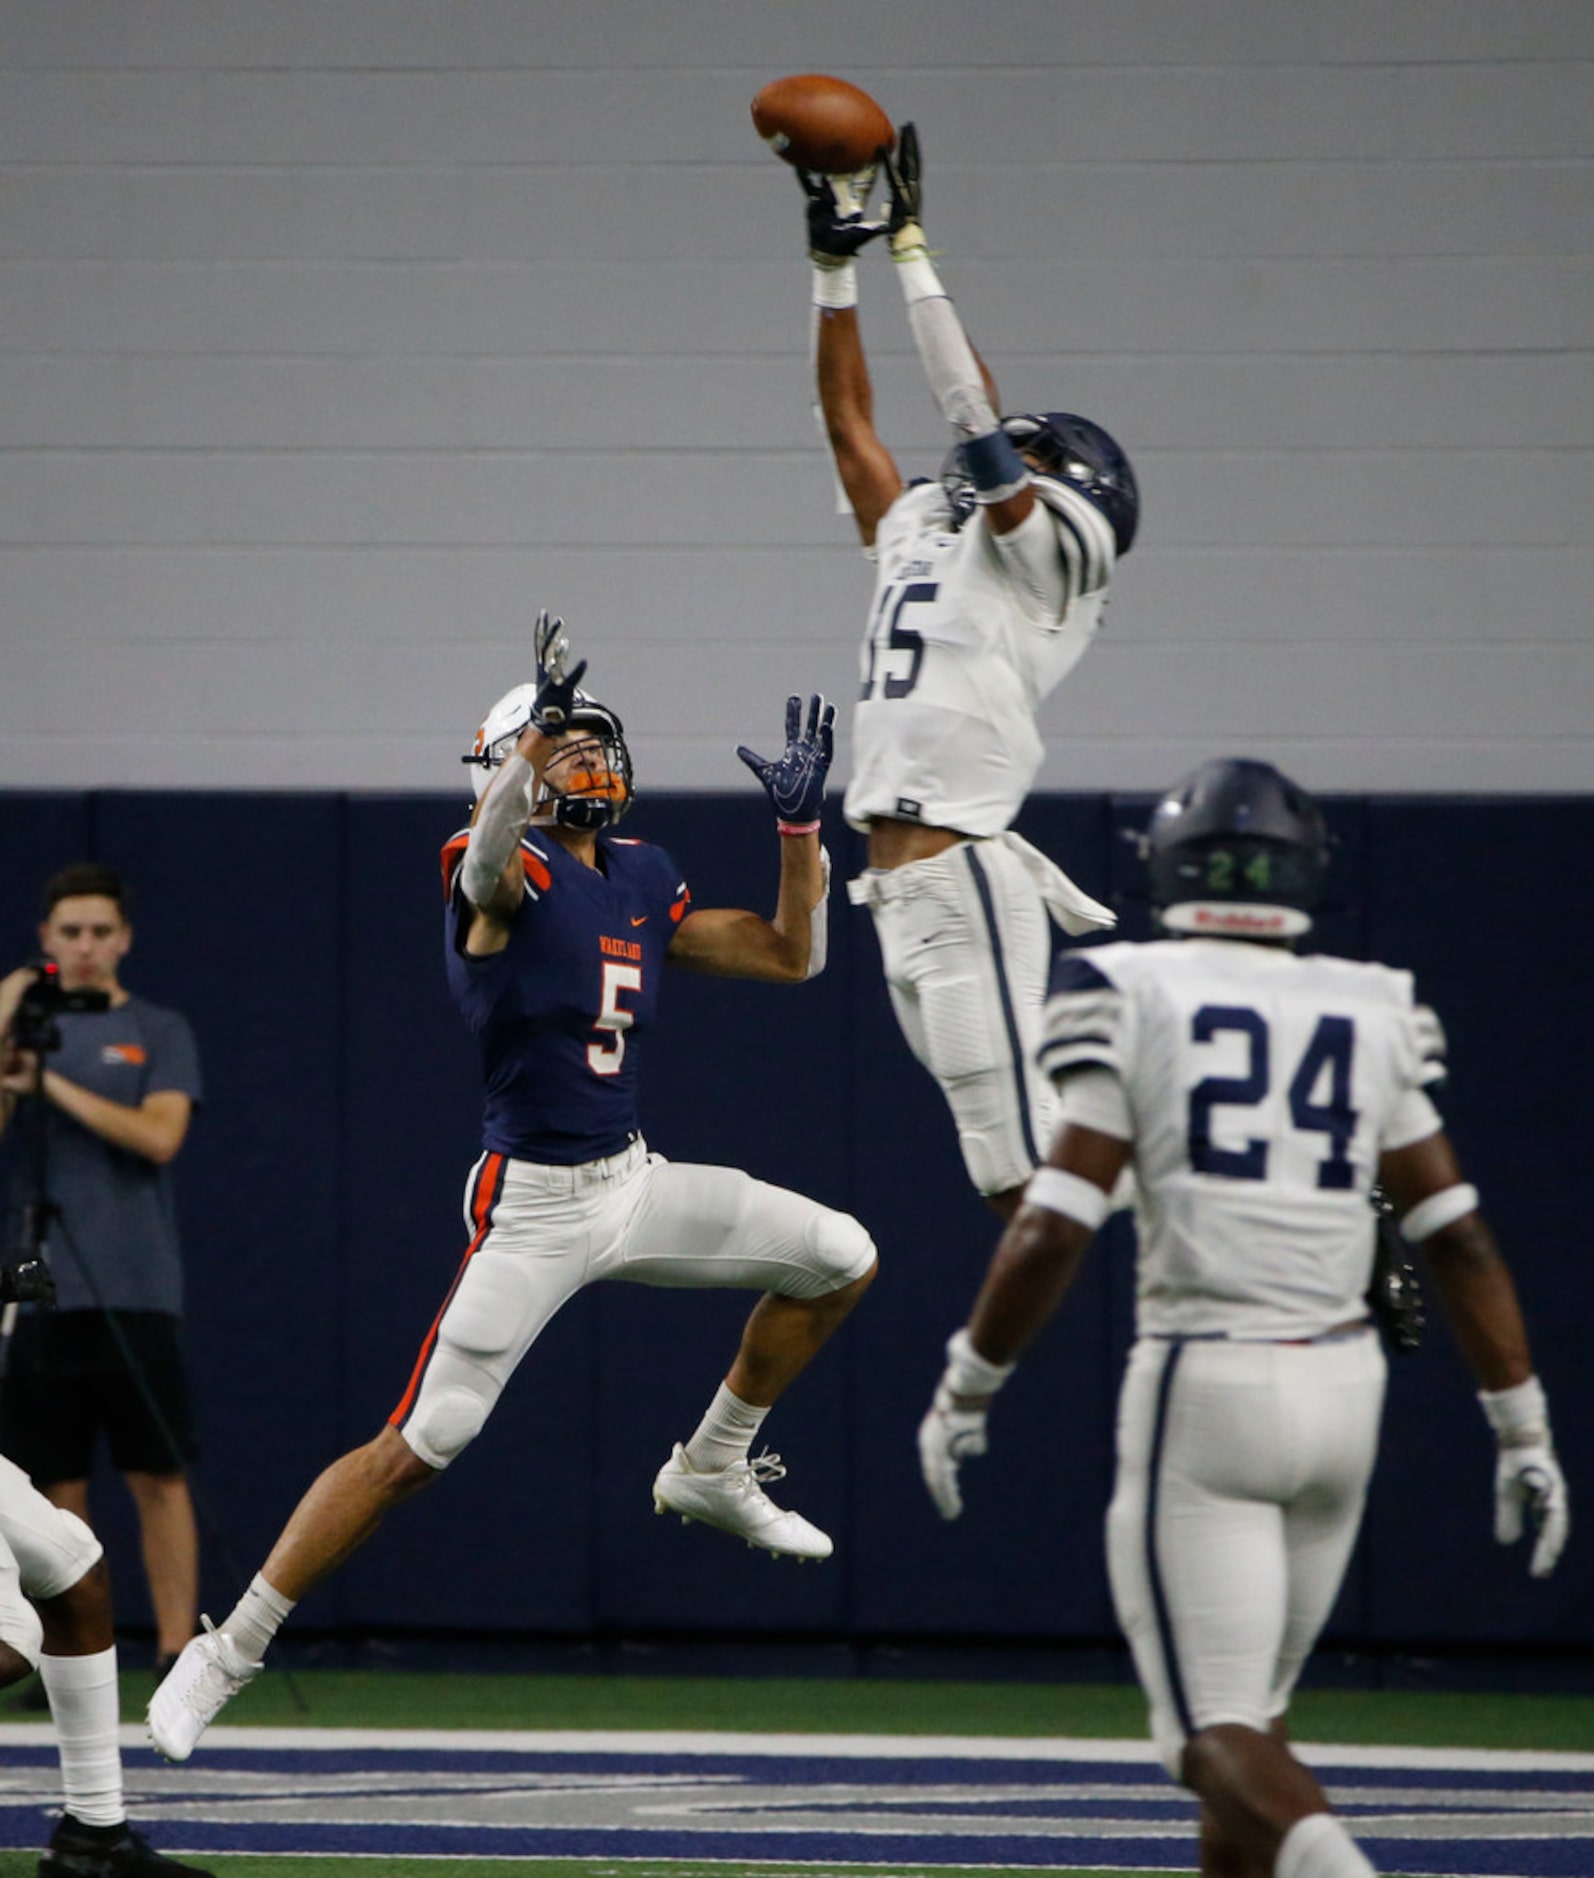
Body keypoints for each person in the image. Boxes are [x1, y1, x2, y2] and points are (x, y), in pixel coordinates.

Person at [147, 614, 878, 1764]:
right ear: (511, 769)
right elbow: (488, 866)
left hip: (632, 1178)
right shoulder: (500, 870)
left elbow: (794, 954)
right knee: (418, 1445)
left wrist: (797, 830)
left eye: (593, 744)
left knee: (841, 1254)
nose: (588, 762)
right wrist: (525, 749)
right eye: (560, 748)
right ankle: (227, 1650)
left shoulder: (641, 873)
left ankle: (711, 1464)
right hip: (531, 1205)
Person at [916, 757, 1570, 1878]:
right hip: (1345, 1397)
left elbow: (1054, 1223)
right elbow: (1453, 1235)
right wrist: (1521, 1426)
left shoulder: (1124, 987)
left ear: (1165, 869)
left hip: (1205, 1383)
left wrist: (968, 1380)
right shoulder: (1370, 1004)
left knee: (1202, 1735)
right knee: (1251, 1731)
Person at [799, 123, 1139, 1221]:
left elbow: (974, 420)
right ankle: (1227, 1198)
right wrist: (830, 268)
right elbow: (849, 426)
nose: (1005, 458)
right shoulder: (925, 537)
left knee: (1025, 1181)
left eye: (1036, 456)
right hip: (898, 890)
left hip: (962, 875)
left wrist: (909, 251)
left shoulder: (1048, 559)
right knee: (1014, 1179)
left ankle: (1250, 1212)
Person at [0, 867, 203, 1684]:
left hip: (136, 1284)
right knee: (54, 1486)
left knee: (157, 1472)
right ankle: (71, 1654)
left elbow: (159, 1138)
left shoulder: (157, 1028)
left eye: (99, 932)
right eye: (69, 934)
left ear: (122, 939)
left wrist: (51, 1083)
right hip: (40, 1287)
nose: (84, 948)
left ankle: (178, 1650)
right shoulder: (20, 1029)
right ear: (47, 940)